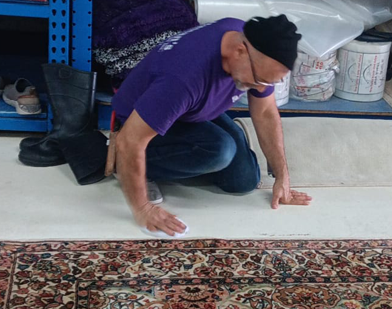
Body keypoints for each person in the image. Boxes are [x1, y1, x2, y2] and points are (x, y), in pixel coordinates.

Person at [110, 15, 313, 236]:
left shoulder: (250, 41)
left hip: (191, 111)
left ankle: (181, 158)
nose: (260, 89)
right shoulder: (183, 77)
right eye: (259, 80)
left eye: (268, 82)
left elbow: (264, 112)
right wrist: (143, 209)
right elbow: (131, 140)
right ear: (239, 51)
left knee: (244, 180)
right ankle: (120, 159)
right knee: (220, 150)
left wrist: (282, 176)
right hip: (140, 117)